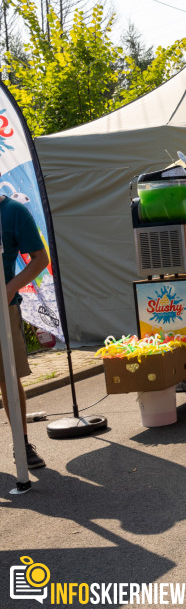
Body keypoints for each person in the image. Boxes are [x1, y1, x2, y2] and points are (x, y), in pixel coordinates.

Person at [1, 191, 50, 470]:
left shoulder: (14, 212)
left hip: (2, 310)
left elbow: (40, 259)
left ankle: (21, 443)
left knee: (8, 378)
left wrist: (9, 289)